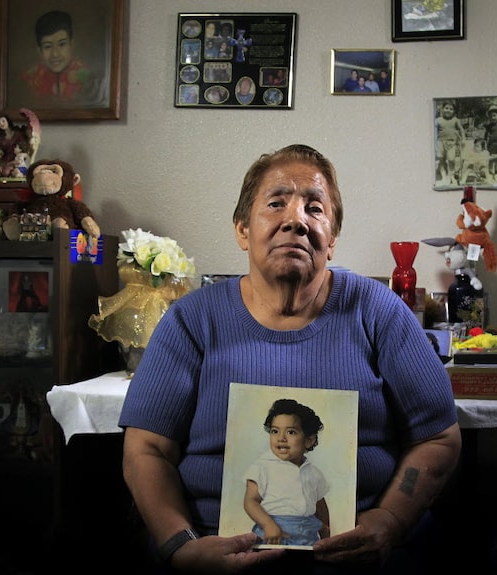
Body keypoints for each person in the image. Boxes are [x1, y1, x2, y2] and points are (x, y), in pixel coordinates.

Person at [119, 144, 461, 574]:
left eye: (314, 208)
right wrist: (181, 546)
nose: (296, 220)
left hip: (359, 557)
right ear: (243, 229)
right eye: (276, 203)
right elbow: (146, 449)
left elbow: (439, 438)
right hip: (211, 554)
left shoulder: (380, 313)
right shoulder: (192, 319)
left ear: (332, 239)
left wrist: (389, 522)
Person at [244, 399, 330, 547]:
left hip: (306, 533)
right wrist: (268, 524)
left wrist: (326, 532)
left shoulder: (313, 472)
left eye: (291, 432)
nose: (281, 438)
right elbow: (250, 501)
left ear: (309, 440)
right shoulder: (263, 467)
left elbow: (319, 503)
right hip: (273, 532)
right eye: (275, 431)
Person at [21, 10, 103, 107]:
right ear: (39, 51)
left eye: (62, 44)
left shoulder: (87, 77)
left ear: (71, 45)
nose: (55, 54)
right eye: (47, 46)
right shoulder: (30, 79)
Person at [435, 102, 465, 186]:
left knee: (451, 159)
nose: (448, 110)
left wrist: (463, 139)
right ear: (442, 109)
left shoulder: (456, 120)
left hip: (451, 142)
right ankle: (444, 176)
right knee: (441, 159)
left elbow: (461, 130)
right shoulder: (438, 120)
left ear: (454, 111)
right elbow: (433, 131)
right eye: (446, 108)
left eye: (451, 109)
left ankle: (450, 176)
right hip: (440, 142)